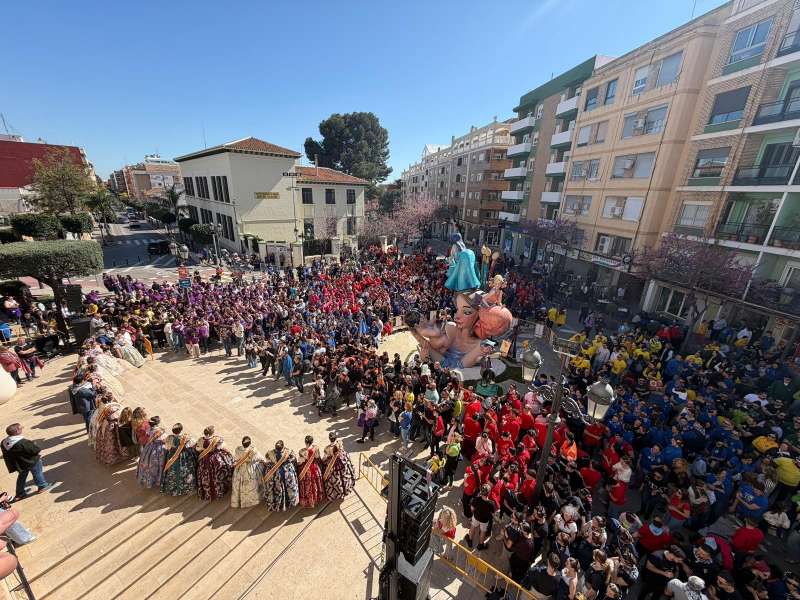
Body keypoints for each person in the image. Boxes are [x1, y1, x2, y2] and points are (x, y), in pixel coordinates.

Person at [1, 423, 54, 501]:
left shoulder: (4, 442)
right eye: (20, 428)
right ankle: (42, 485)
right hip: (31, 461)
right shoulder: (22, 442)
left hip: (20, 464)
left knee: (21, 477)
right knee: (37, 473)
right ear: (16, 431)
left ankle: (20, 493)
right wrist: (34, 444)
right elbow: (35, 450)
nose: (22, 428)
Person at [195, 426, 234, 501]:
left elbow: (197, 448)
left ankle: (208, 492)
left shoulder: (201, 440)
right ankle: (219, 491)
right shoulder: (217, 439)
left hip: (205, 459)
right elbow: (222, 446)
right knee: (218, 474)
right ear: (212, 432)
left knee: (205, 475)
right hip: (215, 459)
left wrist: (204, 449)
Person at [160, 423, 197, 496]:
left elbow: (167, 447)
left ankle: (174, 489)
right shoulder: (186, 437)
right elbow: (193, 444)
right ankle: (185, 488)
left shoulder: (170, 438)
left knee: (173, 472)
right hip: (184, 456)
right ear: (181, 430)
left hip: (172, 455)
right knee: (186, 471)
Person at [262, 440, 300, 511]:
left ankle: (277, 504)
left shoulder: (270, 454)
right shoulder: (288, 452)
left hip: (275, 474)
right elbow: (293, 460)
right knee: (287, 487)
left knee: (275, 489)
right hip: (286, 473)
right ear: (283, 446)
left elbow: (267, 463)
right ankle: (289, 502)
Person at [93, 395, 131, 465]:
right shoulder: (118, 406)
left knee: (109, 442)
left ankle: (110, 459)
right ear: (112, 399)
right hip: (117, 426)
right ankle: (121, 454)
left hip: (108, 426)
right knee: (118, 441)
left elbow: (100, 419)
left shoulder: (105, 407)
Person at [230, 436, 265, 508]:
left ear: (242, 443)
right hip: (250, 469)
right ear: (250, 443)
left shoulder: (238, 449)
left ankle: (239, 500)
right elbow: (259, 458)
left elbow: (236, 459)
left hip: (240, 469)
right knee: (252, 485)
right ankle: (251, 501)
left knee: (238, 484)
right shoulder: (253, 450)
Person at [323, 433, 356, 501]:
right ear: (336, 438)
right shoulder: (339, 443)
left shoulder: (327, 448)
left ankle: (337, 493)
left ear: (329, 439)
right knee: (344, 476)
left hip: (332, 465)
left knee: (335, 480)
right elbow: (342, 451)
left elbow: (324, 458)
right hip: (342, 462)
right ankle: (346, 489)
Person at [135, 417, 167, 489]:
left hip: (149, 447)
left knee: (148, 463)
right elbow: (164, 440)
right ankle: (158, 479)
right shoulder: (160, 431)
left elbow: (148, 436)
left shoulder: (149, 429)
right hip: (159, 449)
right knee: (159, 464)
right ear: (157, 423)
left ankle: (148, 479)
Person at [297, 435, 325, 508]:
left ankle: (308, 501)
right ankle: (317, 498)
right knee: (316, 484)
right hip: (315, 468)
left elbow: (300, 462)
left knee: (306, 486)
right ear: (312, 442)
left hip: (306, 471)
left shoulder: (302, 452)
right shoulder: (316, 448)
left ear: (305, 442)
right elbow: (318, 457)